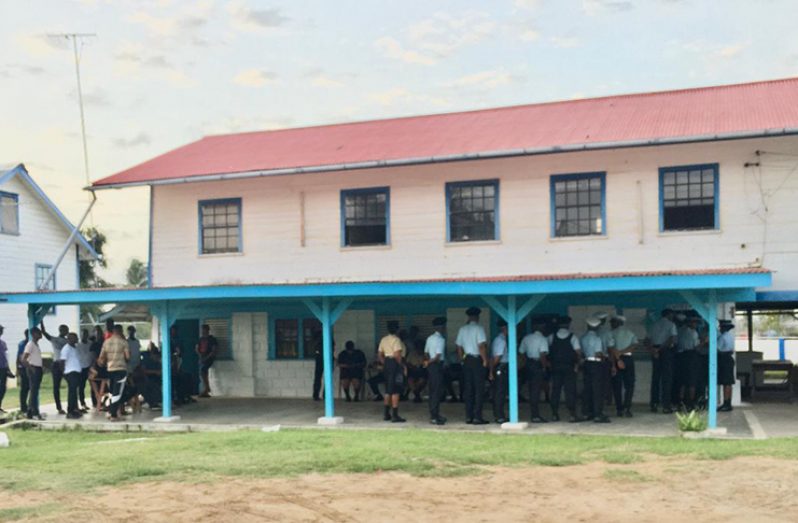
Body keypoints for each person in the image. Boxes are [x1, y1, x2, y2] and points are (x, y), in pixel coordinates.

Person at [455, 306, 489, 425]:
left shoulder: (462, 329)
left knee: (468, 389)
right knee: (479, 389)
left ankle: (468, 416)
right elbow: (481, 346)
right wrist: (485, 360)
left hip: (467, 360)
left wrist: (461, 360)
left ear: (468, 317)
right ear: (477, 317)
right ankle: (477, 416)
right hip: (477, 360)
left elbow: (458, 347)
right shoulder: (479, 329)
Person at [548, 316, 582, 423]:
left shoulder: (551, 337)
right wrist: (577, 364)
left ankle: (554, 414)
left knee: (555, 390)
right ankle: (572, 414)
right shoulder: (573, 337)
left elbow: (547, 351)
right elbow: (578, 353)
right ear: (568, 325)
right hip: (569, 368)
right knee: (570, 391)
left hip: (555, 367)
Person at [519, 317, 549, 423]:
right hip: (538, 365)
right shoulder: (542, 339)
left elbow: (521, 352)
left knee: (532, 389)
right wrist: (545, 367)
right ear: (542, 327)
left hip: (529, 364)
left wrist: (526, 361)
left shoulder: (526, 338)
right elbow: (542, 355)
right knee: (536, 391)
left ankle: (534, 413)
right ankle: (535, 415)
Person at [97, 325, 130, 421]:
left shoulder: (106, 342)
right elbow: (127, 357)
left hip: (110, 369)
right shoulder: (124, 342)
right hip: (120, 369)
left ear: (113, 331)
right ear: (121, 331)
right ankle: (113, 415)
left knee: (111, 392)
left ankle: (111, 412)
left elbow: (101, 358)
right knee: (117, 392)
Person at [581, 317, 611, 423]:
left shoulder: (583, 338)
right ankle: (597, 414)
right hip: (596, 364)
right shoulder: (597, 339)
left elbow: (582, 352)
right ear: (597, 327)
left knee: (587, 389)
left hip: (586, 363)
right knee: (598, 390)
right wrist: (604, 360)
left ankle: (586, 412)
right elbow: (598, 353)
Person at [648, 308, 678, 414]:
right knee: (667, 379)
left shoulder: (654, 325)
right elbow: (672, 339)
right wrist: (660, 349)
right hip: (666, 351)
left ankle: (654, 404)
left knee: (655, 378)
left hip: (655, 351)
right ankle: (666, 405)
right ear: (669, 315)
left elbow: (648, 339)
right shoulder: (671, 325)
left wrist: (654, 350)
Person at [378, 320, 406, 423]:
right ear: (397, 329)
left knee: (388, 389)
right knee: (396, 389)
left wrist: (384, 363)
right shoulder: (397, 340)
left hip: (387, 364)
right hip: (395, 364)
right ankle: (395, 414)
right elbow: (397, 355)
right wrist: (402, 366)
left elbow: (380, 354)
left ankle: (386, 413)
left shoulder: (383, 339)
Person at [609, 315, 638, 417]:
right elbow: (634, 346)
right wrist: (623, 352)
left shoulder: (611, 334)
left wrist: (614, 364)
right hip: (628, 359)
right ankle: (627, 408)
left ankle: (619, 409)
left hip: (616, 359)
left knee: (617, 385)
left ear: (617, 323)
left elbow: (611, 349)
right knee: (629, 385)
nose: (611, 325)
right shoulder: (630, 333)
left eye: (612, 323)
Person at [41, 321, 68, 414]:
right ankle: (59, 407)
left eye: (66, 330)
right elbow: (44, 332)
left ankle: (72, 405)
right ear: (60, 330)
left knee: (72, 385)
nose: (65, 331)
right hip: (56, 364)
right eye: (63, 330)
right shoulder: (54, 339)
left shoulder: (68, 341)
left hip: (66, 364)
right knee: (56, 386)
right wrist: (41, 321)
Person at [424, 317, 447, 425]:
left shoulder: (429, 338)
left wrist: (428, 361)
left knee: (433, 391)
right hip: (436, 366)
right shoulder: (441, 340)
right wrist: (430, 362)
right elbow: (438, 356)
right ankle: (434, 416)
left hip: (431, 367)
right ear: (442, 327)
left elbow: (426, 352)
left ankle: (435, 414)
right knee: (436, 392)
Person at [676, 316, 700, 410]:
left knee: (683, 381)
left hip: (681, 357)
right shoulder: (693, 333)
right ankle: (691, 403)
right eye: (695, 322)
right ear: (690, 323)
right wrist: (704, 342)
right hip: (691, 356)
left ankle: (681, 401)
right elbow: (696, 347)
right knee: (692, 381)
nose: (696, 324)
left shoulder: (680, 331)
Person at [22, 327, 44, 420]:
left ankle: (31, 412)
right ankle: (33, 412)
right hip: (33, 369)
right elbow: (24, 359)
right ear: (34, 334)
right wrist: (31, 368)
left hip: (38, 368)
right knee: (33, 391)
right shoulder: (30, 344)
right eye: (38, 333)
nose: (40, 335)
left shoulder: (36, 344)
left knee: (35, 391)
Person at [60, 332, 83, 419]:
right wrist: (64, 373)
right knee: (72, 392)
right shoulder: (66, 349)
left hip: (76, 372)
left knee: (74, 393)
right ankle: (70, 411)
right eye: (75, 338)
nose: (77, 339)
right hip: (70, 372)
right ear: (69, 339)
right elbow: (62, 361)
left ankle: (74, 409)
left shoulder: (74, 348)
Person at [490, 318, 509, 424]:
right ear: (505, 328)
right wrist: (491, 370)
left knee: (500, 392)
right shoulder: (501, 341)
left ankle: (500, 415)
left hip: (500, 368)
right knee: (500, 393)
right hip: (500, 367)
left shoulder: (500, 339)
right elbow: (497, 357)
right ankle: (499, 416)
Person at [717, 320, 736, 412]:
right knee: (729, 382)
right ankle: (728, 402)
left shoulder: (722, 337)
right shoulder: (731, 337)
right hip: (730, 358)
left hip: (724, 359)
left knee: (725, 382)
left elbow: (718, 349)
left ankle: (725, 403)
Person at [195, 324, 218, 398]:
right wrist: (200, 356)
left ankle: (207, 388)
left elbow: (213, 350)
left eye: (204, 330)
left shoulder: (212, 339)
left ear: (207, 330)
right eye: (202, 330)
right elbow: (196, 348)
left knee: (203, 370)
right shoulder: (200, 339)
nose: (203, 331)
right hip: (202, 357)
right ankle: (206, 389)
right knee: (203, 373)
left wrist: (206, 358)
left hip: (209, 358)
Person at [76, 329, 93, 412]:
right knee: (81, 387)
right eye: (83, 334)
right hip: (81, 368)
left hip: (90, 368)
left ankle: (95, 402)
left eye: (86, 334)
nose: (84, 336)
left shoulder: (91, 344)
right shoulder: (77, 345)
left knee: (93, 385)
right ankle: (82, 403)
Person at [17, 330, 30, 413]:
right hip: (24, 368)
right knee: (25, 388)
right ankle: (23, 406)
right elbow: (21, 356)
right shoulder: (24, 344)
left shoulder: (23, 343)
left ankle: (25, 405)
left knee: (27, 387)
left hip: (24, 367)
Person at [0, 325, 10, 412]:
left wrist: (8, 369)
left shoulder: (3, 343)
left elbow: (5, 357)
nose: (1, 331)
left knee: (3, 388)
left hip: (3, 368)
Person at [311, 331, 324, 401]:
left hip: (325, 358)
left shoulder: (328, 337)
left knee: (324, 378)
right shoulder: (317, 338)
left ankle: (325, 395)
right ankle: (316, 394)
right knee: (318, 378)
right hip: (319, 359)